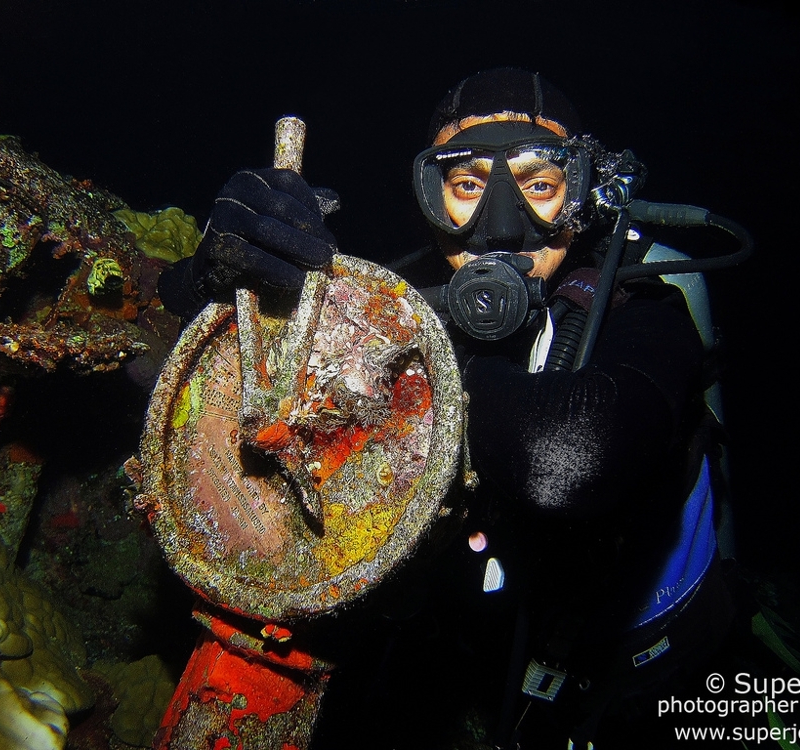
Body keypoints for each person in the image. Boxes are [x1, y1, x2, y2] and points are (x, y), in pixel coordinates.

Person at [158, 67, 741, 749]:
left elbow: (567, 462)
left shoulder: (643, 301)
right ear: (430, 199)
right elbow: (221, 384)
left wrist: (428, 351)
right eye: (467, 186)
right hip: (475, 659)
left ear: (584, 198)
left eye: (540, 186)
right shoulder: (406, 301)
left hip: (651, 678)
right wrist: (223, 281)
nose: (502, 225)